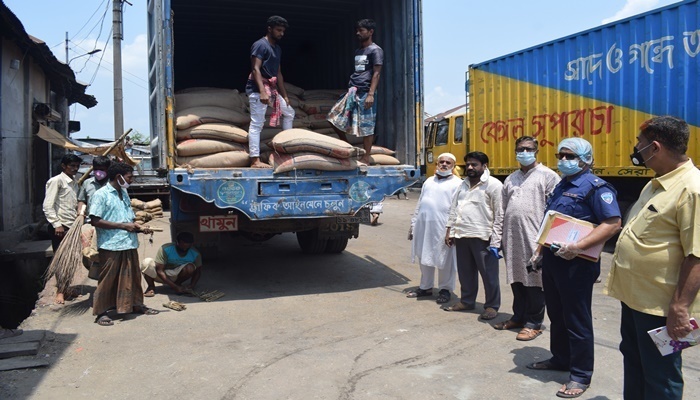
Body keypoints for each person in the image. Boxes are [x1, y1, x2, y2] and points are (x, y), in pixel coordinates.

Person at [604, 116, 700, 400]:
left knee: (661, 375)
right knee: (635, 362)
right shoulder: (655, 183)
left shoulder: (692, 190)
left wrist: (680, 307)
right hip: (635, 299)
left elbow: (696, 255)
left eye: (640, 143)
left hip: (660, 308)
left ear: (655, 147)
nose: (637, 148)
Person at [526, 138, 621, 399]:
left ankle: (580, 374)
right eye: (561, 155)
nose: (563, 160)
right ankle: (560, 359)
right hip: (554, 260)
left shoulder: (596, 187)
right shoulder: (562, 185)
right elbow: (551, 221)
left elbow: (612, 223)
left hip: (577, 264)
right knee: (557, 314)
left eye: (570, 156)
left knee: (577, 319)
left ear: (585, 159)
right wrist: (539, 251)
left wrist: (578, 246)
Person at [490, 136, 560, 340]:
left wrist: (546, 242)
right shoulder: (511, 178)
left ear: (536, 151)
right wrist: (496, 239)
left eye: (529, 149)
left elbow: (554, 212)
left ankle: (533, 322)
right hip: (512, 239)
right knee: (517, 279)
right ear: (515, 152)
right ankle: (518, 317)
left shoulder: (548, 176)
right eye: (521, 149)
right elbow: (501, 211)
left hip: (534, 238)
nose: (525, 152)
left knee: (534, 280)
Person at [89, 162, 157, 326]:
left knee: (132, 277)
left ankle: (135, 305)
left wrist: (138, 227)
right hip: (111, 245)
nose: (131, 180)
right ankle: (101, 313)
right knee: (108, 280)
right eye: (129, 177)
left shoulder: (123, 192)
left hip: (128, 243)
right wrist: (123, 226)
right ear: (119, 177)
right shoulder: (101, 195)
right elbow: (95, 220)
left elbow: (127, 218)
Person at [443, 152, 503, 320]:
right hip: (462, 235)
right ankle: (467, 301)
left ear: (484, 166)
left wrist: (496, 240)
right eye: (468, 164)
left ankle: (492, 306)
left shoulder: (494, 185)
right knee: (465, 273)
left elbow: (500, 214)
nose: (470, 167)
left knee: (489, 275)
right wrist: (450, 231)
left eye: (474, 164)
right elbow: (454, 209)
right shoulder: (463, 184)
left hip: (483, 237)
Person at [407, 153, 462, 304]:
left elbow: (457, 209)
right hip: (424, 225)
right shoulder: (429, 181)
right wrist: (413, 224)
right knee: (424, 255)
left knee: (445, 259)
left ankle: (445, 289)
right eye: (441, 162)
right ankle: (425, 287)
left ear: (453, 166)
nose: (444, 164)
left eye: (448, 163)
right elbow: (420, 203)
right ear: (437, 164)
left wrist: (451, 230)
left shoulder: (458, 184)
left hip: (443, 227)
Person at [327, 19, 383, 165]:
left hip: (366, 92)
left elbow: (376, 73)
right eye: (357, 30)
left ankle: (366, 157)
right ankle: (347, 146)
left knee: (366, 126)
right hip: (353, 91)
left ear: (370, 32)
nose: (358, 33)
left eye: (361, 30)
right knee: (333, 117)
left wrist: (371, 94)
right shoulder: (358, 51)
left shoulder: (375, 50)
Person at [246, 15, 295, 168]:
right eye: (278, 30)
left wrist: (285, 95)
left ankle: (286, 149)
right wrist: (262, 91)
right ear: (269, 29)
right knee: (257, 123)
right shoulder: (260, 45)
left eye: (283, 31)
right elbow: (255, 69)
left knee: (289, 112)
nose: (281, 34)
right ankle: (255, 160)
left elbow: (278, 73)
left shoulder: (277, 49)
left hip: (272, 89)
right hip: (258, 89)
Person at [42, 153, 81, 305]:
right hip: (60, 227)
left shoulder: (75, 182)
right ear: (63, 166)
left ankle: (67, 287)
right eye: (72, 166)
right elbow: (48, 206)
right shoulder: (56, 181)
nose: (75, 169)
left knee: (71, 259)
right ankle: (60, 291)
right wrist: (56, 224)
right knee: (60, 260)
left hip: (72, 226)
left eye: (77, 166)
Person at [141, 231, 203, 296]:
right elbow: (159, 271)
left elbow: (198, 272)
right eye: (182, 246)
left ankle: (178, 284)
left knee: (190, 267)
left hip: (176, 275)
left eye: (187, 247)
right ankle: (151, 287)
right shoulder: (165, 249)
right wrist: (175, 287)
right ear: (177, 242)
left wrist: (192, 286)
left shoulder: (195, 254)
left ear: (191, 244)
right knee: (146, 263)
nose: (184, 249)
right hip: (160, 274)